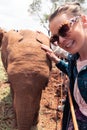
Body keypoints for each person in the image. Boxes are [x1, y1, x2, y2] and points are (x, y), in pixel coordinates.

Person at [41, 2, 87, 130]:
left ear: (83, 20)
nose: (60, 41)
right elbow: (72, 72)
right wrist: (55, 59)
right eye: (55, 38)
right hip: (73, 118)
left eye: (64, 29)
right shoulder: (75, 58)